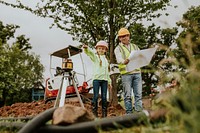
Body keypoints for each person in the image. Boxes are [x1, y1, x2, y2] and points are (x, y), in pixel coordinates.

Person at [114, 27, 143, 114]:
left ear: (129, 36)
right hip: (126, 74)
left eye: (125, 36)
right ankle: (129, 114)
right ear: (119, 38)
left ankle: (138, 112)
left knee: (138, 95)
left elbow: (140, 56)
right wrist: (124, 61)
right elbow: (119, 59)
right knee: (127, 95)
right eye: (121, 36)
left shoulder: (135, 46)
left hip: (137, 73)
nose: (124, 38)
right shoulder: (118, 48)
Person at [82, 40, 111, 117]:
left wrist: (109, 82)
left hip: (104, 80)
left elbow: (107, 72)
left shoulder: (106, 60)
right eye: (99, 48)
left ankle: (104, 114)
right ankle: (94, 113)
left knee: (104, 97)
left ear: (105, 50)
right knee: (95, 96)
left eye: (102, 48)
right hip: (96, 80)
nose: (101, 50)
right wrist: (86, 49)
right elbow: (90, 53)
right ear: (97, 49)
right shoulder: (95, 58)